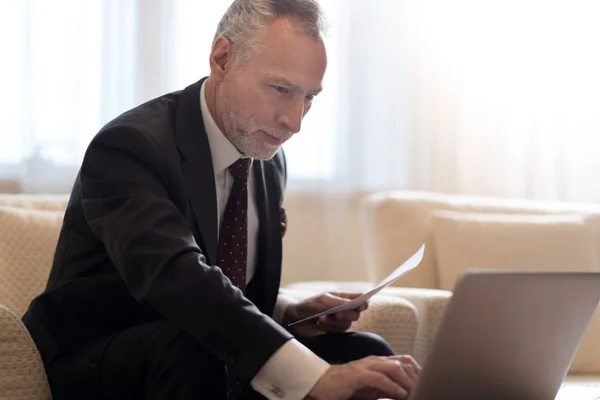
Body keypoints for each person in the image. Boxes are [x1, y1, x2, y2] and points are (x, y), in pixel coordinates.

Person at [22, 0, 421, 399]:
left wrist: (290, 314)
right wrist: (315, 378)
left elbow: (226, 282)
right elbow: (179, 281)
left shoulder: (267, 159)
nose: (295, 122)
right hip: (97, 356)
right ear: (222, 58)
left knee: (368, 356)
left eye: (309, 98)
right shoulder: (131, 146)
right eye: (282, 90)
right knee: (198, 351)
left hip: (196, 346)